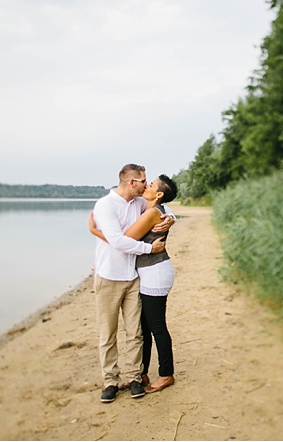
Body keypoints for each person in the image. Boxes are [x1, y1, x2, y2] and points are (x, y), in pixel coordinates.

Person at [90, 164, 174, 403]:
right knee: (108, 333)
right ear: (132, 182)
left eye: (149, 182)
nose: (146, 184)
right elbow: (118, 240)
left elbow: (159, 208)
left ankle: (136, 377)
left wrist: (170, 219)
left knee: (135, 333)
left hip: (133, 277)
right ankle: (110, 381)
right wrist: (149, 247)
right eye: (143, 181)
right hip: (109, 276)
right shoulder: (105, 205)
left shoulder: (139, 203)